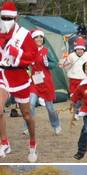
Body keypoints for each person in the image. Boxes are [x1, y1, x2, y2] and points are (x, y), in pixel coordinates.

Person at [0, 2, 38, 162]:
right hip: (2, 74)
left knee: (27, 115)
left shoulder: (24, 34)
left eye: (9, 18)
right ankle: (4, 142)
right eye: (3, 17)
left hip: (20, 77)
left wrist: (18, 54)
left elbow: (32, 57)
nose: (6, 20)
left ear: (15, 18)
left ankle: (33, 144)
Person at [29, 30, 61, 135]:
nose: (39, 39)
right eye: (36, 37)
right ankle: (29, 126)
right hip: (34, 82)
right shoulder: (30, 51)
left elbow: (54, 63)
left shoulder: (47, 51)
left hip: (46, 82)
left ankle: (56, 125)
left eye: (40, 37)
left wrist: (48, 64)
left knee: (50, 108)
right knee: (30, 104)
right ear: (32, 40)